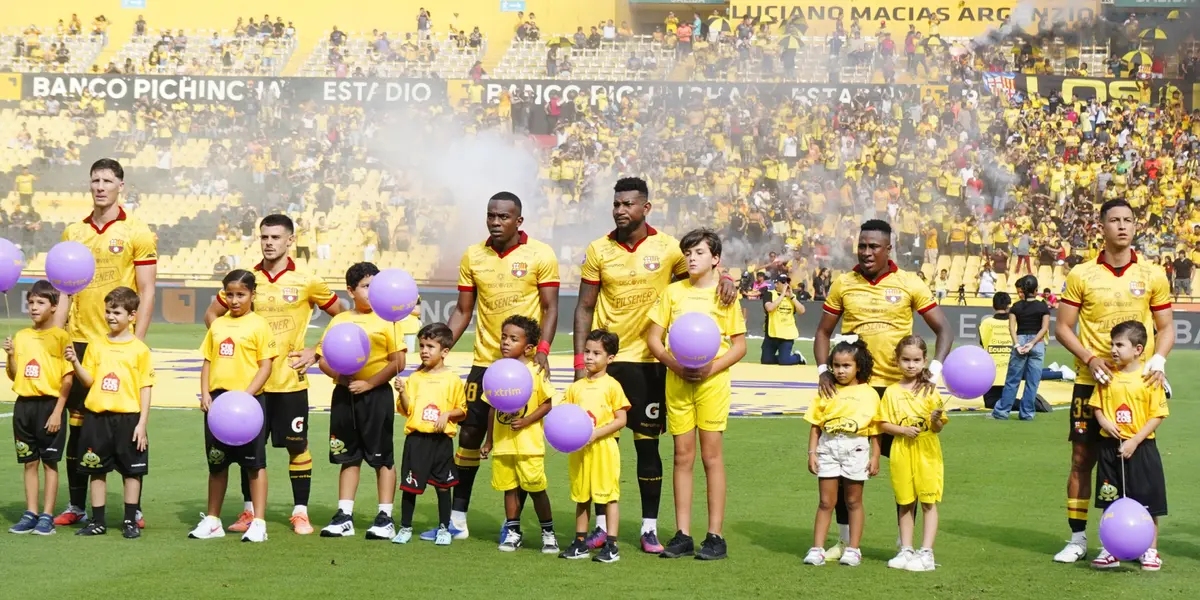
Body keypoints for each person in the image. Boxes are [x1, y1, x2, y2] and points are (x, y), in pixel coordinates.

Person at [573, 177, 736, 553]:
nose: (620, 210)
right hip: (608, 365)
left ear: (645, 208)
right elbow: (583, 307)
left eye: (628, 204)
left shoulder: (668, 250)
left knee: (648, 447)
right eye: (616, 204)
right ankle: (600, 526)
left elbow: (700, 277)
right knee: (601, 447)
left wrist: (726, 276)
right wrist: (583, 360)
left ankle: (649, 528)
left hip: (650, 364)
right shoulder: (598, 249)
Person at [814, 219, 950, 560]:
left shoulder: (909, 283)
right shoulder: (843, 283)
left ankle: (908, 546)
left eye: (874, 246)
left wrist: (933, 369)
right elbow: (822, 333)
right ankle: (846, 543)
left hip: (898, 394)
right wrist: (822, 371)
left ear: (890, 248)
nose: (867, 251)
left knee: (906, 468)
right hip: (855, 393)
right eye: (862, 245)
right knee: (846, 470)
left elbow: (944, 329)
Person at [204, 214, 342, 535]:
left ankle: (300, 512)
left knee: (298, 446)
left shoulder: (308, 280)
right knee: (248, 446)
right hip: (250, 385)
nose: (268, 243)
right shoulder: (247, 279)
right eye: (264, 237)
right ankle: (249, 512)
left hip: (290, 380)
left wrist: (316, 352)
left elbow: (342, 315)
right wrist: (230, 338)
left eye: (275, 237)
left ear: (290, 240)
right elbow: (213, 314)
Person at [1053, 199, 1173, 564]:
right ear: (1101, 227)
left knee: (1134, 461)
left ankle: (1135, 540)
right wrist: (1090, 357)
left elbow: (1166, 328)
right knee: (1082, 458)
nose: (1122, 226)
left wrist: (1158, 359)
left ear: (1135, 227)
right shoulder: (1081, 274)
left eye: (1129, 220)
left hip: (1136, 386)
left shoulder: (1152, 273)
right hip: (1092, 382)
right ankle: (1077, 538)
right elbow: (1062, 327)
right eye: (1115, 220)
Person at [441, 191, 559, 542]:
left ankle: (513, 526)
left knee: (516, 438)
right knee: (470, 435)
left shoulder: (541, 254)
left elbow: (551, 307)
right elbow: (463, 311)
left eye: (504, 216)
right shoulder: (473, 255)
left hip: (522, 366)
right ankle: (458, 519)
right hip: (484, 362)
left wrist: (543, 350)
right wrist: (442, 345)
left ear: (518, 220)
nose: (495, 221)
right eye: (491, 215)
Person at [56, 158, 157, 530]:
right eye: (95, 180)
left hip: (120, 345)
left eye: (107, 181)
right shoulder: (73, 232)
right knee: (79, 426)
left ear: (120, 186)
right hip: (81, 341)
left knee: (126, 425)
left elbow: (146, 290)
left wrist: (137, 341)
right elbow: (65, 288)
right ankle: (77, 505)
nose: (100, 186)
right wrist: (58, 334)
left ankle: (135, 510)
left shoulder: (138, 231)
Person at [646, 228, 747, 561]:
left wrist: (711, 369)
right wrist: (674, 366)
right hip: (677, 383)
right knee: (682, 457)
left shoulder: (725, 294)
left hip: (712, 385)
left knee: (711, 457)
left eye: (699, 253)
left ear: (715, 258)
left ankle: (715, 536)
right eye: (688, 253)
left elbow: (740, 345)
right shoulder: (673, 293)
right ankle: (682, 533)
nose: (691, 258)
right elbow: (655, 340)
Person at [316, 263, 405, 540]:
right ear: (351, 290)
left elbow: (398, 361)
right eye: (366, 287)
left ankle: (385, 516)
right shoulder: (339, 321)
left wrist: (369, 383)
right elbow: (323, 359)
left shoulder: (387, 319)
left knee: (382, 457)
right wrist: (343, 381)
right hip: (345, 396)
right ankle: (344, 515)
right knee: (348, 456)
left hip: (376, 396)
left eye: (376, 287)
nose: (372, 292)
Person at [189, 270, 275, 542]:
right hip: (218, 405)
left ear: (252, 295)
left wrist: (247, 397)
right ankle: (213, 521)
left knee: (254, 464)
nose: (235, 300)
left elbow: (266, 364)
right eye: (230, 295)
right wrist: (205, 393)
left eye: (241, 294)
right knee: (217, 464)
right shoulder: (218, 326)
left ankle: (258, 522)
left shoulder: (259, 325)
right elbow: (207, 361)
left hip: (248, 405)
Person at [63, 287, 153, 539]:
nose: (110, 316)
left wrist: (142, 424)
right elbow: (89, 381)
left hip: (128, 419)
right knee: (96, 469)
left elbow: (145, 387)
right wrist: (75, 363)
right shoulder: (96, 344)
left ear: (132, 315)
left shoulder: (140, 349)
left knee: (132, 471)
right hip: (97, 418)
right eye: (108, 311)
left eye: (116, 312)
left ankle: (129, 520)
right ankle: (98, 521)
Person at [1087, 321, 1168, 571]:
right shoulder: (1106, 376)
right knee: (1110, 500)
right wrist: (1103, 422)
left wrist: (1134, 440)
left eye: (1119, 344)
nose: (1113, 349)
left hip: (1141, 448)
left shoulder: (1150, 378)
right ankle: (1110, 549)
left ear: (1138, 349)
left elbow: (1157, 414)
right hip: (1110, 448)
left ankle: (1150, 550)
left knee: (1147, 501)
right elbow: (1097, 405)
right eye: (1112, 344)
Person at [479, 316, 558, 553]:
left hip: (529, 445)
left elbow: (547, 403)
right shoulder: (496, 371)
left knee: (536, 488)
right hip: (504, 444)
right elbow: (492, 407)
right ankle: (513, 531)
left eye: (513, 339)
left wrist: (526, 421)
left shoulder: (536, 370)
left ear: (529, 347)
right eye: (504, 337)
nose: (505, 342)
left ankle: (548, 532)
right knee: (509, 488)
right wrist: (489, 440)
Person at [802, 340, 880, 567]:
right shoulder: (825, 391)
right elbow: (815, 425)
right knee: (826, 501)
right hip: (828, 447)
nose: (840, 370)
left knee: (853, 500)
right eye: (836, 365)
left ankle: (853, 549)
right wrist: (812, 452)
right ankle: (817, 549)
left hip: (856, 448)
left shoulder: (869, 394)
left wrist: (875, 456)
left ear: (858, 366)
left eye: (846, 365)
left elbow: (875, 429)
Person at [4, 281, 71, 535]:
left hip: (49, 406)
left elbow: (67, 378)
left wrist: (57, 411)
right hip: (24, 407)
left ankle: (47, 515)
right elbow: (14, 375)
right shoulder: (21, 337)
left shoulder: (61, 337)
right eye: (31, 302)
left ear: (54, 307)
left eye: (40, 303)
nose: (34, 307)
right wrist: (10, 355)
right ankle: (30, 512)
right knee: (29, 462)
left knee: (49, 462)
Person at [558, 329, 630, 563]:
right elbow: (563, 415)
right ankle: (580, 543)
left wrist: (595, 434)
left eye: (596, 353)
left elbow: (621, 420)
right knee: (582, 496)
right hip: (580, 452)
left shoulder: (612, 386)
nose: (589, 357)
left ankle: (612, 545)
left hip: (604, 449)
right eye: (587, 352)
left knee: (608, 496)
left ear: (609, 359)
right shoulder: (575, 388)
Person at [392, 323, 467, 546]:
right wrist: (403, 392)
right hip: (417, 441)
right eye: (421, 345)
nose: (424, 350)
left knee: (444, 487)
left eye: (430, 346)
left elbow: (462, 410)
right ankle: (405, 527)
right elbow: (407, 410)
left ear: (444, 352)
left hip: (441, 441)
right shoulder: (415, 378)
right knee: (410, 487)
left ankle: (444, 528)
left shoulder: (452, 379)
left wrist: (447, 415)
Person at [880, 336, 947, 572]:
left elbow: (938, 428)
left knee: (928, 500)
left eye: (916, 360)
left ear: (924, 361)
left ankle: (926, 552)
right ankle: (906, 549)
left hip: (927, 450)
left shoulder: (930, 391)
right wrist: (902, 430)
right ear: (897, 361)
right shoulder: (891, 392)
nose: (911, 365)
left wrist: (936, 421)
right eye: (906, 360)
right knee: (905, 501)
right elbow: (883, 423)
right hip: (901, 449)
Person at [990, 275, 1050, 421]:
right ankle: (1027, 413)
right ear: (1036, 290)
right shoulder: (1043, 306)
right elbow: (1045, 328)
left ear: (1023, 290)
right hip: (1037, 343)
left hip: (1020, 340)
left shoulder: (1016, 307)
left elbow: (1011, 328)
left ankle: (1002, 411)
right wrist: (1033, 343)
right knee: (1032, 381)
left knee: (1012, 380)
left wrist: (1017, 344)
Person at [978, 292, 1014, 410]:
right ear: (1009, 305)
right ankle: (1027, 402)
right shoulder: (1014, 322)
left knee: (990, 403)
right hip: (1011, 371)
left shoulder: (986, 323)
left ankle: (1029, 403)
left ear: (993, 306)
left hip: (991, 372)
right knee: (1006, 400)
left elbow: (983, 343)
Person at [761, 274, 807, 365]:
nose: (786, 284)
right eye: (783, 282)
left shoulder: (793, 296)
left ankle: (797, 357)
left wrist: (792, 297)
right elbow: (769, 308)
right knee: (766, 360)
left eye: (787, 282)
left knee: (784, 361)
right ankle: (784, 357)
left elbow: (802, 311)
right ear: (777, 284)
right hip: (772, 333)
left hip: (787, 334)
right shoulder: (769, 294)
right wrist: (782, 295)